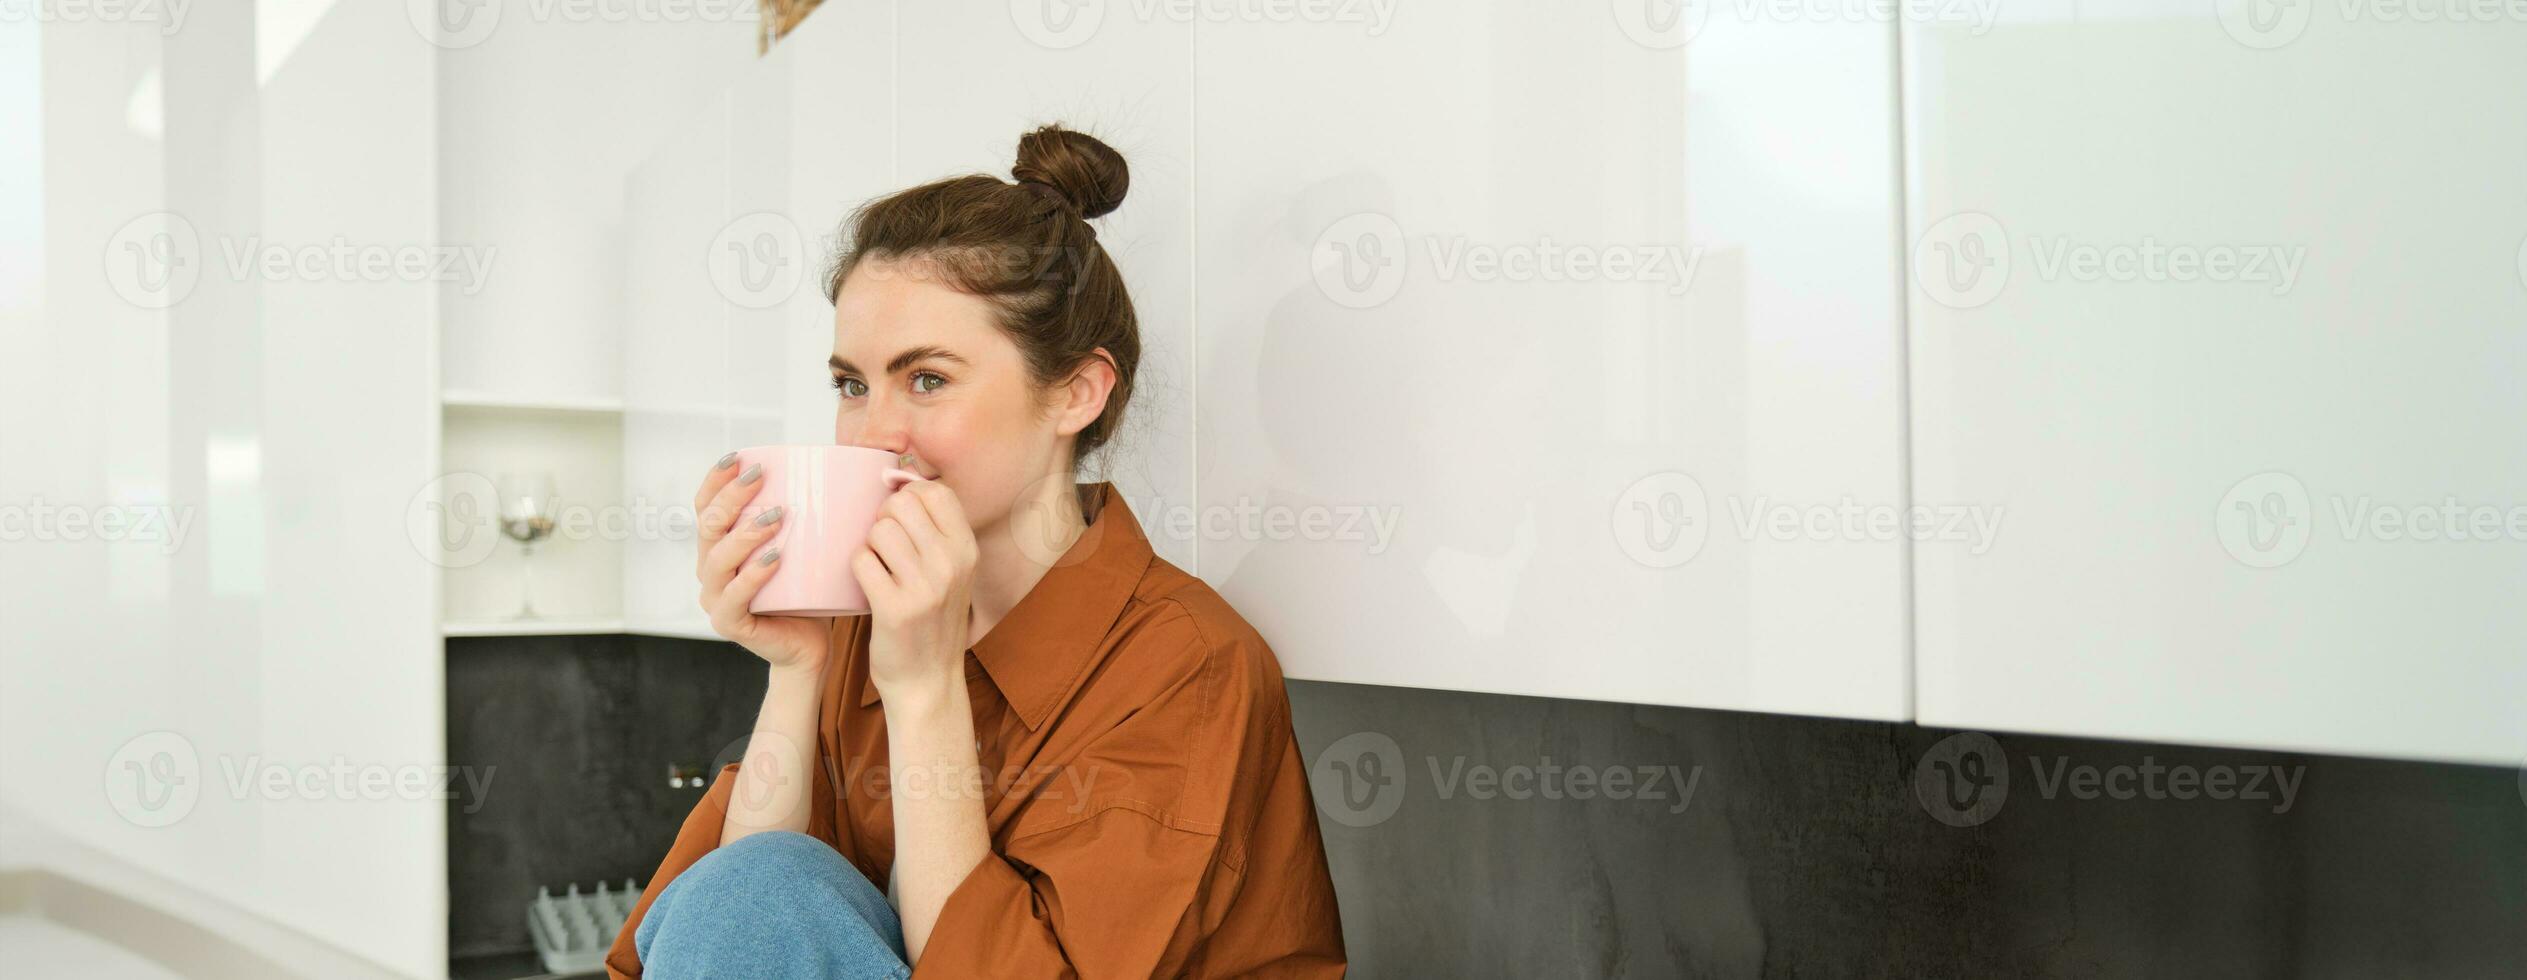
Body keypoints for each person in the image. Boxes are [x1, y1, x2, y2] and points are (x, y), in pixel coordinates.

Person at [603, 124, 1347, 979]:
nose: (873, 436)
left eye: (927, 379)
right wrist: (797, 669)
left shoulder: (1188, 668)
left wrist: (923, 696)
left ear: (1075, 392)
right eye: (852, 384)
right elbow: (731, 928)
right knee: (757, 883)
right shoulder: (862, 616)